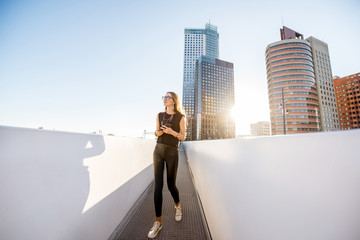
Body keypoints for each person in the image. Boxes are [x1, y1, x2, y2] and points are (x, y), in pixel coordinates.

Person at [147, 92, 186, 239]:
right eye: (163, 96)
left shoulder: (180, 117)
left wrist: (171, 132)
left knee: (171, 184)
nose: (165, 98)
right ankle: (158, 222)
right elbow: (156, 133)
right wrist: (159, 132)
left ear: (174, 100)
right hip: (158, 150)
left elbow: (183, 136)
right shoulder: (159, 115)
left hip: (172, 152)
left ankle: (177, 206)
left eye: (168, 97)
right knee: (158, 186)